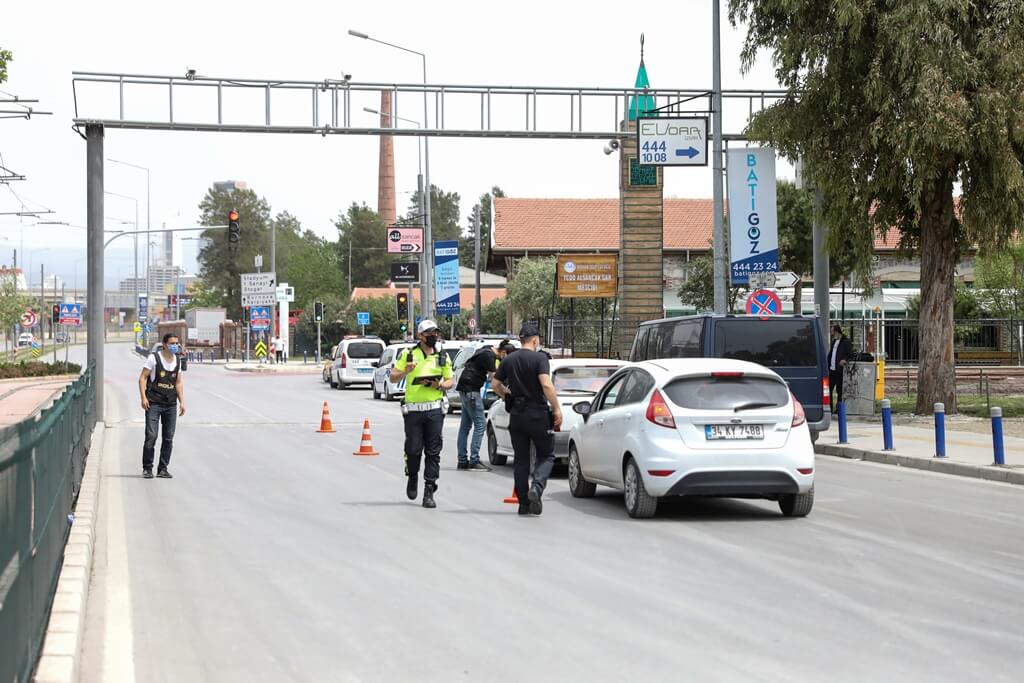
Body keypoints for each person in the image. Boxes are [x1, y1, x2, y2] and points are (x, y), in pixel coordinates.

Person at [491, 324, 562, 516]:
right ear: (535, 340)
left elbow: (495, 384)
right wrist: (556, 408)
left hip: (517, 414)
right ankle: (536, 488)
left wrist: (507, 396)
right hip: (537, 413)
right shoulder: (540, 358)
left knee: (521, 460)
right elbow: (546, 385)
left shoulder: (509, 359)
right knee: (546, 455)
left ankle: (523, 504)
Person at [391, 320, 454, 509]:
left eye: (435, 332)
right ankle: (412, 475)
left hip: (434, 409)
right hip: (414, 411)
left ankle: (429, 490)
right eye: (429, 333)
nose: (433, 336)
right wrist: (405, 371)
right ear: (420, 336)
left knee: (433, 452)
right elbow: (393, 376)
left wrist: (440, 385)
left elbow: (450, 380)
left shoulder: (442, 356)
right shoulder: (408, 354)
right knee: (413, 449)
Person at [455, 343, 511, 471]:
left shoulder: (485, 350)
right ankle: (474, 460)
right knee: (480, 426)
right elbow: (495, 380)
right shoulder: (489, 356)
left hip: (464, 390)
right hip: (471, 391)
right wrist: (506, 393)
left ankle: (462, 460)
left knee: (465, 426)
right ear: (503, 352)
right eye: (505, 357)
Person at [139, 333, 186, 479]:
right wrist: (143, 397)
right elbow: (142, 378)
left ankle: (163, 468)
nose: (175, 346)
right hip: (153, 403)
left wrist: (182, 401)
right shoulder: (154, 358)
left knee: (168, 438)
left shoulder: (177, 360)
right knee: (151, 436)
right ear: (165, 344)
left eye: (177, 343)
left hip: (170, 404)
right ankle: (147, 468)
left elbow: (178, 382)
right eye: (172, 343)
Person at [828, 325, 853, 411]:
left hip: (840, 370)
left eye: (833, 332)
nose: (832, 334)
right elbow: (831, 353)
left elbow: (850, 354)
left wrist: (844, 360)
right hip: (832, 369)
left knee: (839, 390)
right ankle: (830, 408)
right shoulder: (834, 341)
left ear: (836, 332)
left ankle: (839, 409)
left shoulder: (846, 342)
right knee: (829, 389)